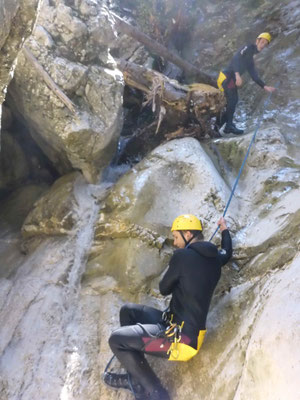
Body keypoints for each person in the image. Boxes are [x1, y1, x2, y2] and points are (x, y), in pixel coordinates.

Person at [103, 214, 232, 400]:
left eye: (177, 237)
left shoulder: (181, 256)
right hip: (181, 329)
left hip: (180, 342)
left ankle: (155, 393)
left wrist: (176, 266)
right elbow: (227, 252)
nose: (174, 242)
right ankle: (137, 376)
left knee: (116, 340)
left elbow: (164, 289)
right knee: (128, 311)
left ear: (188, 234)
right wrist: (224, 229)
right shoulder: (214, 259)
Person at [216, 32, 276, 135]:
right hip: (226, 77)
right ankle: (228, 126)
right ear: (257, 41)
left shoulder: (250, 60)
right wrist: (237, 74)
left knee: (231, 103)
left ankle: (218, 127)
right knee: (233, 100)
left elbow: (254, 76)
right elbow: (235, 58)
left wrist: (265, 86)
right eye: (262, 42)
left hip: (231, 79)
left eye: (265, 44)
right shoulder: (248, 47)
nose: (263, 46)